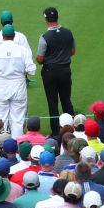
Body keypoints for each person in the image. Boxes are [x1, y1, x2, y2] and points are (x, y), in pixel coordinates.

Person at [0, 25, 37, 138]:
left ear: (3, 36)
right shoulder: (23, 50)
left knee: (1, 119)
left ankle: (2, 146)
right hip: (18, 87)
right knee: (18, 120)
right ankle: (17, 148)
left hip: (1, 88)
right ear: (14, 36)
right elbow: (32, 70)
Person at [35, 8, 77, 136]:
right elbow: (73, 51)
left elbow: (40, 59)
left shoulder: (44, 37)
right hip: (65, 70)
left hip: (50, 72)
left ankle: (55, 132)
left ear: (46, 19)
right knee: (66, 100)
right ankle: (71, 129)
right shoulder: (68, 33)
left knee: (52, 102)